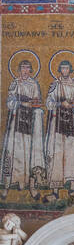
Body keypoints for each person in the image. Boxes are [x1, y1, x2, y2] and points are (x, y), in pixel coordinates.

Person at [44, 59, 74, 198]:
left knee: (71, 155)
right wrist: (60, 103)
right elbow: (48, 103)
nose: (64, 71)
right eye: (62, 68)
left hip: (71, 125)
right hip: (57, 124)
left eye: (67, 68)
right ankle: (55, 191)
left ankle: (72, 188)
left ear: (70, 70)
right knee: (57, 155)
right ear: (60, 70)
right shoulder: (55, 84)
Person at [0, 58, 45, 196]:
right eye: (23, 68)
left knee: (29, 153)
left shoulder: (34, 84)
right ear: (19, 70)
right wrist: (21, 103)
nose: (25, 71)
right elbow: (9, 102)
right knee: (13, 151)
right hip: (15, 122)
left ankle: (30, 186)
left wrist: (33, 104)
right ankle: (6, 186)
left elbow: (37, 100)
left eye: (27, 68)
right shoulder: (15, 83)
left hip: (29, 123)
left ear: (30, 70)